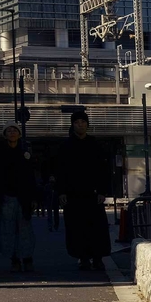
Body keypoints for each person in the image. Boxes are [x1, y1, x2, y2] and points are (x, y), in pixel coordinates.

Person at [57, 110, 111, 271]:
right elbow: (60, 171)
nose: (80, 125)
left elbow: (104, 170)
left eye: (83, 121)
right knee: (76, 228)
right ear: (72, 125)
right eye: (77, 122)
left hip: (93, 194)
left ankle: (98, 257)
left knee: (97, 227)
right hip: (73, 194)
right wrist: (62, 192)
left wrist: (103, 191)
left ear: (87, 124)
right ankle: (82, 257)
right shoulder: (65, 147)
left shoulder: (96, 145)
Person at [0, 121, 36, 272]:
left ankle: (28, 257)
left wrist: (34, 197)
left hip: (24, 196)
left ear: (19, 134)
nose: (12, 133)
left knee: (25, 229)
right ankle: (14, 258)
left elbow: (31, 177)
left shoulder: (26, 154)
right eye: (9, 131)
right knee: (8, 229)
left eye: (14, 130)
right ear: (4, 135)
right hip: (6, 196)